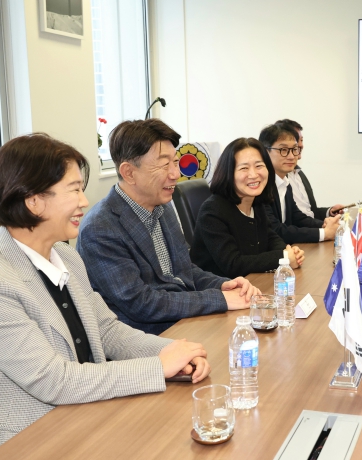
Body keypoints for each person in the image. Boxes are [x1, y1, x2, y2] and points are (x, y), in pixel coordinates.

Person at [0, 134, 210, 454]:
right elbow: (52, 380)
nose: (84, 201)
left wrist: (171, 351)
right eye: (74, 189)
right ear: (33, 200)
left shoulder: (67, 257)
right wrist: (157, 366)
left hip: (86, 414)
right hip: (28, 440)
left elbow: (106, 330)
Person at [77, 119, 258, 335]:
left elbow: (184, 270)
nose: (176, 174)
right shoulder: (100, 228)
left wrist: (222, 285)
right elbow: (141, 303)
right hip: (148, 337)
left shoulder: (162, 206)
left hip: (183, 321)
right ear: (129, 173)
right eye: (164, 165)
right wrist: (219, 299)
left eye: (175, 162)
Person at [190, 137, 305, 278]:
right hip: (217, 288)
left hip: (251, 283)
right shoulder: (212, 211)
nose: (253, 174)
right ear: (229, 173)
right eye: (244, 168)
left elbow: (271, 237)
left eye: (259, 166)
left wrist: (289, 252)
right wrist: (283, 258)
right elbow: (233, 264)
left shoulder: (256, 203)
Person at [259, 123, 340, 244]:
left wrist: (325, 224)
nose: (291, 156)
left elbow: (298, 218)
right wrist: (324, 233)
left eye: (294, 149)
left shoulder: (285, 183)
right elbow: (275, 229)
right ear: (265, 152)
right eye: (283, 150)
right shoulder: (260, 186)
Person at [275, 119, 345, 219]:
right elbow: (294, 219)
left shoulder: (299, 173)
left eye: (301, 140)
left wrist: (329, 212)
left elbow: (310, 212)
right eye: (296, 140)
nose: (300, 145)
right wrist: (324, 227)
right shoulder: (279, 178)